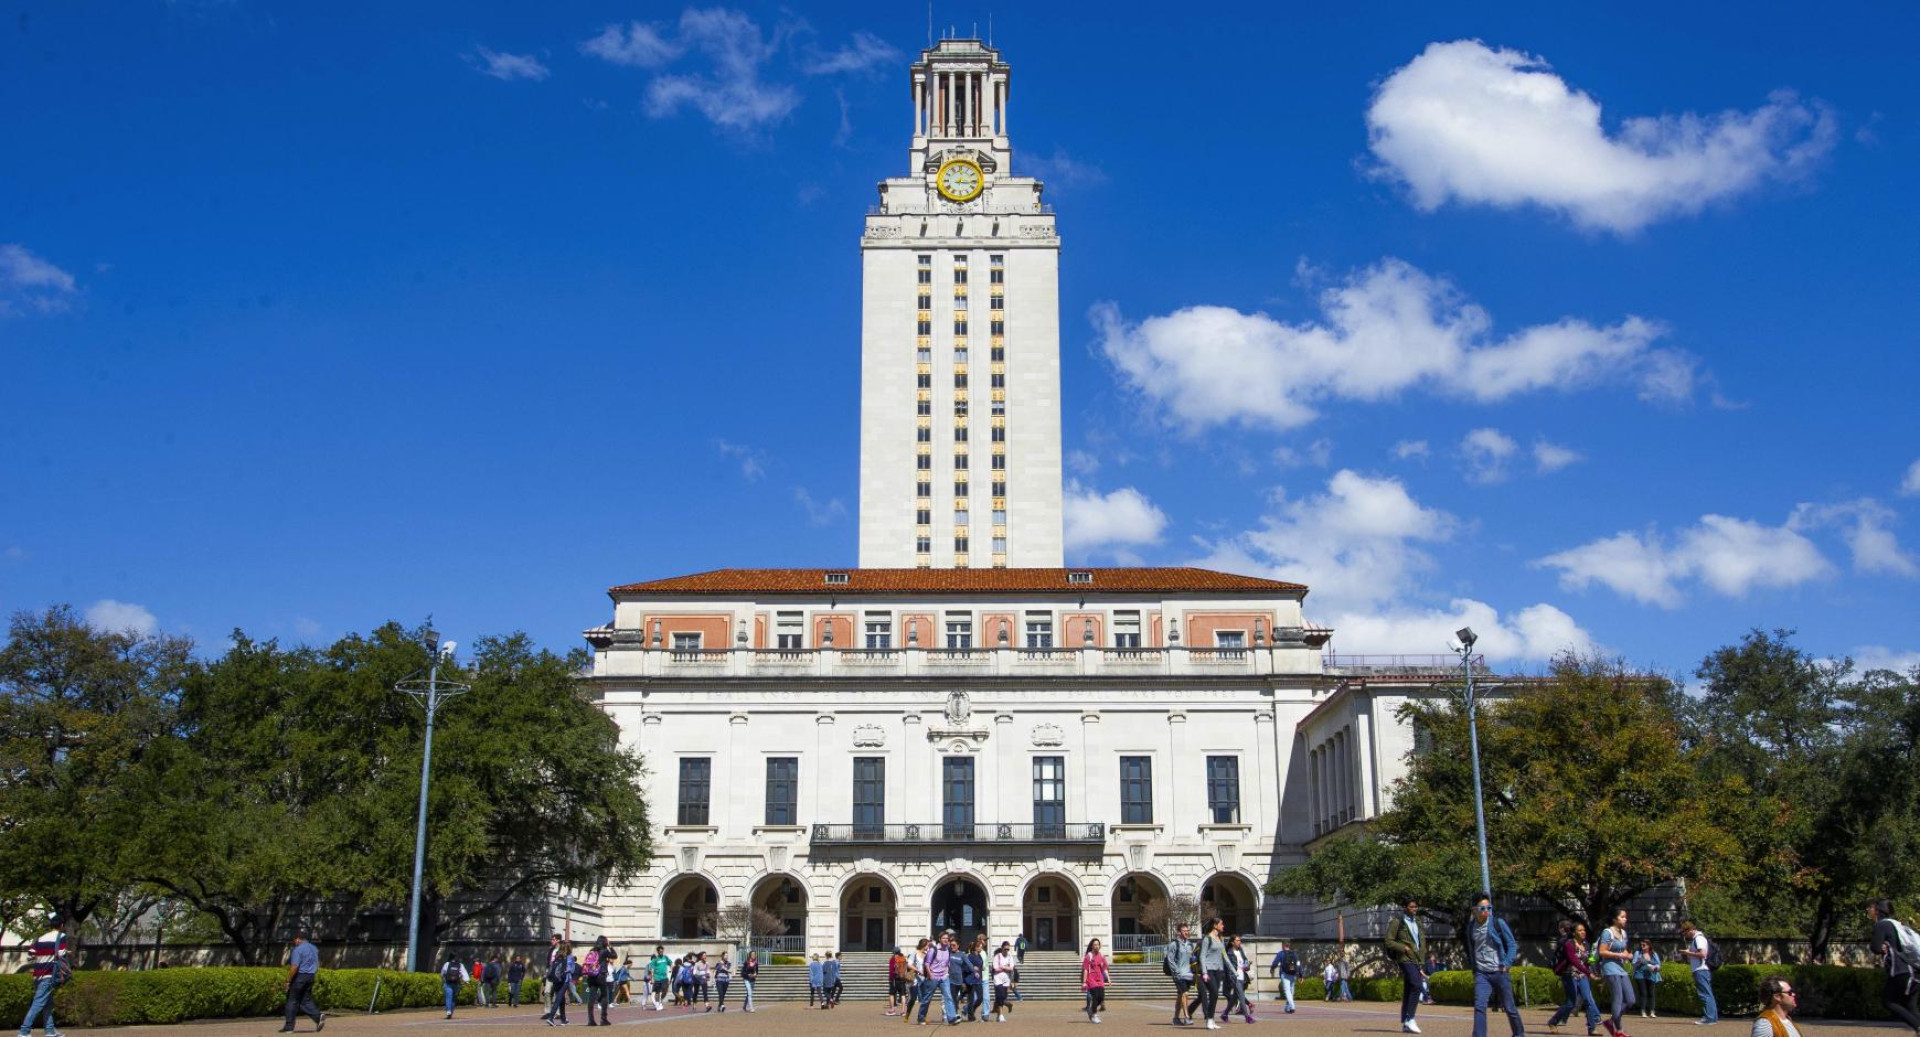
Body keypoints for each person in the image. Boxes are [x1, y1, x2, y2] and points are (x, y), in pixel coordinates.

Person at [1466, 893, 1525, 1037]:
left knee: (1509, 1008)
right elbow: (1471, 949)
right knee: (1480, 1006)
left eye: (1489, 907)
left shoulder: (1498, 923)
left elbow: (1511, 944)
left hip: (1499, 971)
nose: (1487, 910)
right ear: (1474, 910)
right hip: (1482, 973)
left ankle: (1519, 1033)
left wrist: (1506, 963)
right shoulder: (1470, 928)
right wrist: (1475, 968)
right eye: (1483, 907)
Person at [1868, 897, 1920, 1033]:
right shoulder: (1898, 924)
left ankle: (1918, 1027)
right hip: (1914, 970)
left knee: (1889, 1001)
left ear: (1877, 910)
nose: (1868, 910)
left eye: (1870, 908)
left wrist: (1881, 946)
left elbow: (1875, 947)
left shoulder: (1881, 925)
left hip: (1899, 971)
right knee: (1910, 1006)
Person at [16, 914, 67, 1037]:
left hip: (37, 975)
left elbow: (30, 955)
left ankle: (50, 1030)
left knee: (47, 1003)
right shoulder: (61, 936)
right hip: (49, 974)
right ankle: (24, 1031)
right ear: (61, 925)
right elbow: (61, 953)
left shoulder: (41, 938)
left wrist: (44, 954)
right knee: (38, 1003)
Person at [1547, 920, 1600, 1036]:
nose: (1583, 932)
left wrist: (1594, 963)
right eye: (1580, 930)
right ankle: (1553, 1022)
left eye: (1584, 930)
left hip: (1582, 976)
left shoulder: (1586, 944)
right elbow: (1574, 961)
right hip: (1569, 975)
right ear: (1574, 932)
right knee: (1571, 1003)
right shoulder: (1569, 944)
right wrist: (1589, 973)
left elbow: (1589, 958)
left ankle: (1592, 1029)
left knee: (1588, 1000)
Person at [1386, 898, 1427, 1034]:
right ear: (1405, 907)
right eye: (1411, 907)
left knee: (1409, 988)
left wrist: (1421, 962)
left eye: (1416, 906)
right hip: (1404, 958)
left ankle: (1405, 1022)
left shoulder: (1418, 922)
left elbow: (1420, 943)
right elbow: (1389, 941)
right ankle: (1410, 1018)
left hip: (1415, 959)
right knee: (1417, 985)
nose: (1414, 909)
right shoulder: (1397, 922)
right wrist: (1404, 947)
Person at [279, 929, 325, 1034]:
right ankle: (318, 1017)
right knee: (305, 1000)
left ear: (298, 939)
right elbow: (317, 963)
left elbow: (294, 967)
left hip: (300, 976)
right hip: (311, 976)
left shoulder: (298, 949)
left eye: (294, 940)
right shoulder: (314, 948)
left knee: (292, 1000)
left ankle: (289, 1027)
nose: (294, 942)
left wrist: (288, 980)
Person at [1598, 910, 1636, 1036]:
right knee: (1618, 998)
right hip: (1609, 967)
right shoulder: (1607, 933)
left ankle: (1611, 1021)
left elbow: (1624, 950)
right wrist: (1618, 954)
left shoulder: (1623, 933)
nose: (1625, 919)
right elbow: (1602, 951)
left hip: (1621, 967)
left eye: (1626, 917)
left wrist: (1628, 955)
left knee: (1630, 999)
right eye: (1622, 917)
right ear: (1615, 919)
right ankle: (1619, 1030)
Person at [1678, 920, 1718, 1026]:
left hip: (1700, 969)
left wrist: (1688, 953)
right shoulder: (1699, 938)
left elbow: (1702, 954)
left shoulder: (1698, 938)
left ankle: (1709, 1018)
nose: (1685, 935)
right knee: (1708, 993)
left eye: (1685, 932)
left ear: (1690, 929)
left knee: (1704, 994)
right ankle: (1712, 1017)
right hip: (1702, 969)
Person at [1198, 916, 1230, 1031]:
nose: (1223, 926)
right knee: (1214, 993)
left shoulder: (1221, 939)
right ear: (1215, 925)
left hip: (1218, 971)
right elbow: (1202, 955)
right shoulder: (1208, 938)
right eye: (1221, 924)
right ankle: (1209, 1019)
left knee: (1214, 996)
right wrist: (1204, 972)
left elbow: (1225, 955)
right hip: (1209, 970)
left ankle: (1211, 1019)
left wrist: (1233, 969)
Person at [921, 930, 958, 1025]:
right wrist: (930, 975)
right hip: (933, 976)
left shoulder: (948, 949)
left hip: (944, 977)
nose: (946, 940)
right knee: (927, 998)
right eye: (944, 938)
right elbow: (927, 963)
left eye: (947, 938)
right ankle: (921, 1017)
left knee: (948, 997)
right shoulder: (933, 950)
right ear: (939, 939)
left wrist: (946, 972)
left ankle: (951, 1018)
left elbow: (948, 962)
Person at [1167, 922, 1198, 1026]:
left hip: (1188, 975)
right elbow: (1170, 960)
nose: (1186, 932)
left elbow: (1191, 959)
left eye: (1187, 930)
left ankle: (1176, 1018)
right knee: (1185, 994)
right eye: (1184, 931)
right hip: (1179, 975)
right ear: (1179, 932)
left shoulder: (1190, 945)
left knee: (1180, 996)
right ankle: (1187, 1017)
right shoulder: (1174, 944)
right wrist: (1177, 972)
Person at [1222, 935, 1254, 1023]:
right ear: (1232, 942)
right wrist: (1230, 978)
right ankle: (1247, 1017)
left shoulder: (1240, 951)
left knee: (1234, 998)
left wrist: (1247, 965)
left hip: (1242, 976)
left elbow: (1244, 963)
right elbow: (1228, 967)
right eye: (1237, 940)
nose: (1239, 942)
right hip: (1234, 977)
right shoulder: (1229, 953)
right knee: (1241, 997)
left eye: (1239, 940)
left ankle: (1224, 1014)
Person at [1631, 942, 1661, 1019]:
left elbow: (1658, 964)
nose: (1642, 946)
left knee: (1651, 993)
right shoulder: (1638, 953)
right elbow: (1633, 963)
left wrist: (1655, 967)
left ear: (1648, 946)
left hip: (1651, 975)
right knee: (1643, 993)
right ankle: (1643, 1011)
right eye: (1641, 945)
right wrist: (1638, 962)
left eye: (1644, 945)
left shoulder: (1653, 954)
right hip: (1640, 974)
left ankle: (1652, 1011)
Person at [1083, 938, 1110, 1024]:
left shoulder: (1102, 956)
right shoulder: (1089, 956)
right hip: (1091, 979)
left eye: (1098, 944)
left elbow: (1104, 969)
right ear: (1092, 946)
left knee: (1101, 997)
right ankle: (1094, 1015)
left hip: (1100, 979)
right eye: (1095, 945)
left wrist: (1108, 979)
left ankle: (1091, 1009)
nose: (1096, 946)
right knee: (1095, 996)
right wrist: (1084, 982)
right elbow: (1086, 969)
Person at [1270, 940, 1301, 1014]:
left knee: (1287, 991)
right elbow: (1299, 964)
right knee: (1291, 992)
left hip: (1285, 974)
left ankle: (1292, 1006)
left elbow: (1275, 963)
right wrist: (1301, 974)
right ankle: (1288, 1008)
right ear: (1289, 945)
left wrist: (1272, 969)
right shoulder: (1294, 954)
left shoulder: (1281, 954)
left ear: (1283, 945)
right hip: (1293, 974)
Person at [903, 938, 928, 1025]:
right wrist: (918, 970)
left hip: (923, 979)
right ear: (923, 945)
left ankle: (922, 1017)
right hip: (914, 980)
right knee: (913, 999)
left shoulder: (926, 954)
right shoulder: (914, 954)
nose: (928, 947)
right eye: (927, 945)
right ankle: (907, 1014)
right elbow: (909, 965)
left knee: (925, 999)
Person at [992, 941, 1017, 1023]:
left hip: (1007, 979)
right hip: (997, 978)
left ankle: (998, 1014)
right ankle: (1001, 1015)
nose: (1006, 950)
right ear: (1002, 948)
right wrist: (1006, 967)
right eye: (1005, 949)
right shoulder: (997, 956)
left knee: (1003, 997)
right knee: (1000, 995)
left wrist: (1002, 967)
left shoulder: (1010, 957)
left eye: (1008, 949)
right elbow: (995, 968)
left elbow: (1012, 968)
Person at [964, 935, 987, 1022]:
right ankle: (971, 1016)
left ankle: (970, 1011)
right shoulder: (970, 956)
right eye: (980, 946)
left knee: (980, 998)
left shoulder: (980, 956)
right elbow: (966, 967)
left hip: (978, 980)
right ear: (976, 948)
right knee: (971, 998)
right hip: (970, 980)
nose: (981, 948)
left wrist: (981, 968)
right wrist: (973, 968)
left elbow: (980, 966)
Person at [440, 954, 467, 1020]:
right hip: (456, 984)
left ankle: (448, 1011)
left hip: (448, 983)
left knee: (448, 997)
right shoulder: (460, 965)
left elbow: (442, 972)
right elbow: (464, 974)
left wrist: (443, 978)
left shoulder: (447, 964)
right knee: (453, 999)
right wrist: (466, 981)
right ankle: (451, 1012)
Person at [889, 947, 909, 1017]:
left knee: (892, 994)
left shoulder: (893, 959)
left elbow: (891, 970)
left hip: (894, 979)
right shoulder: (903, 958)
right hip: (902, 979)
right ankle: (903, 1011)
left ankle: (892, 1010)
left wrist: (890, 979)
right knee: (903, 995)